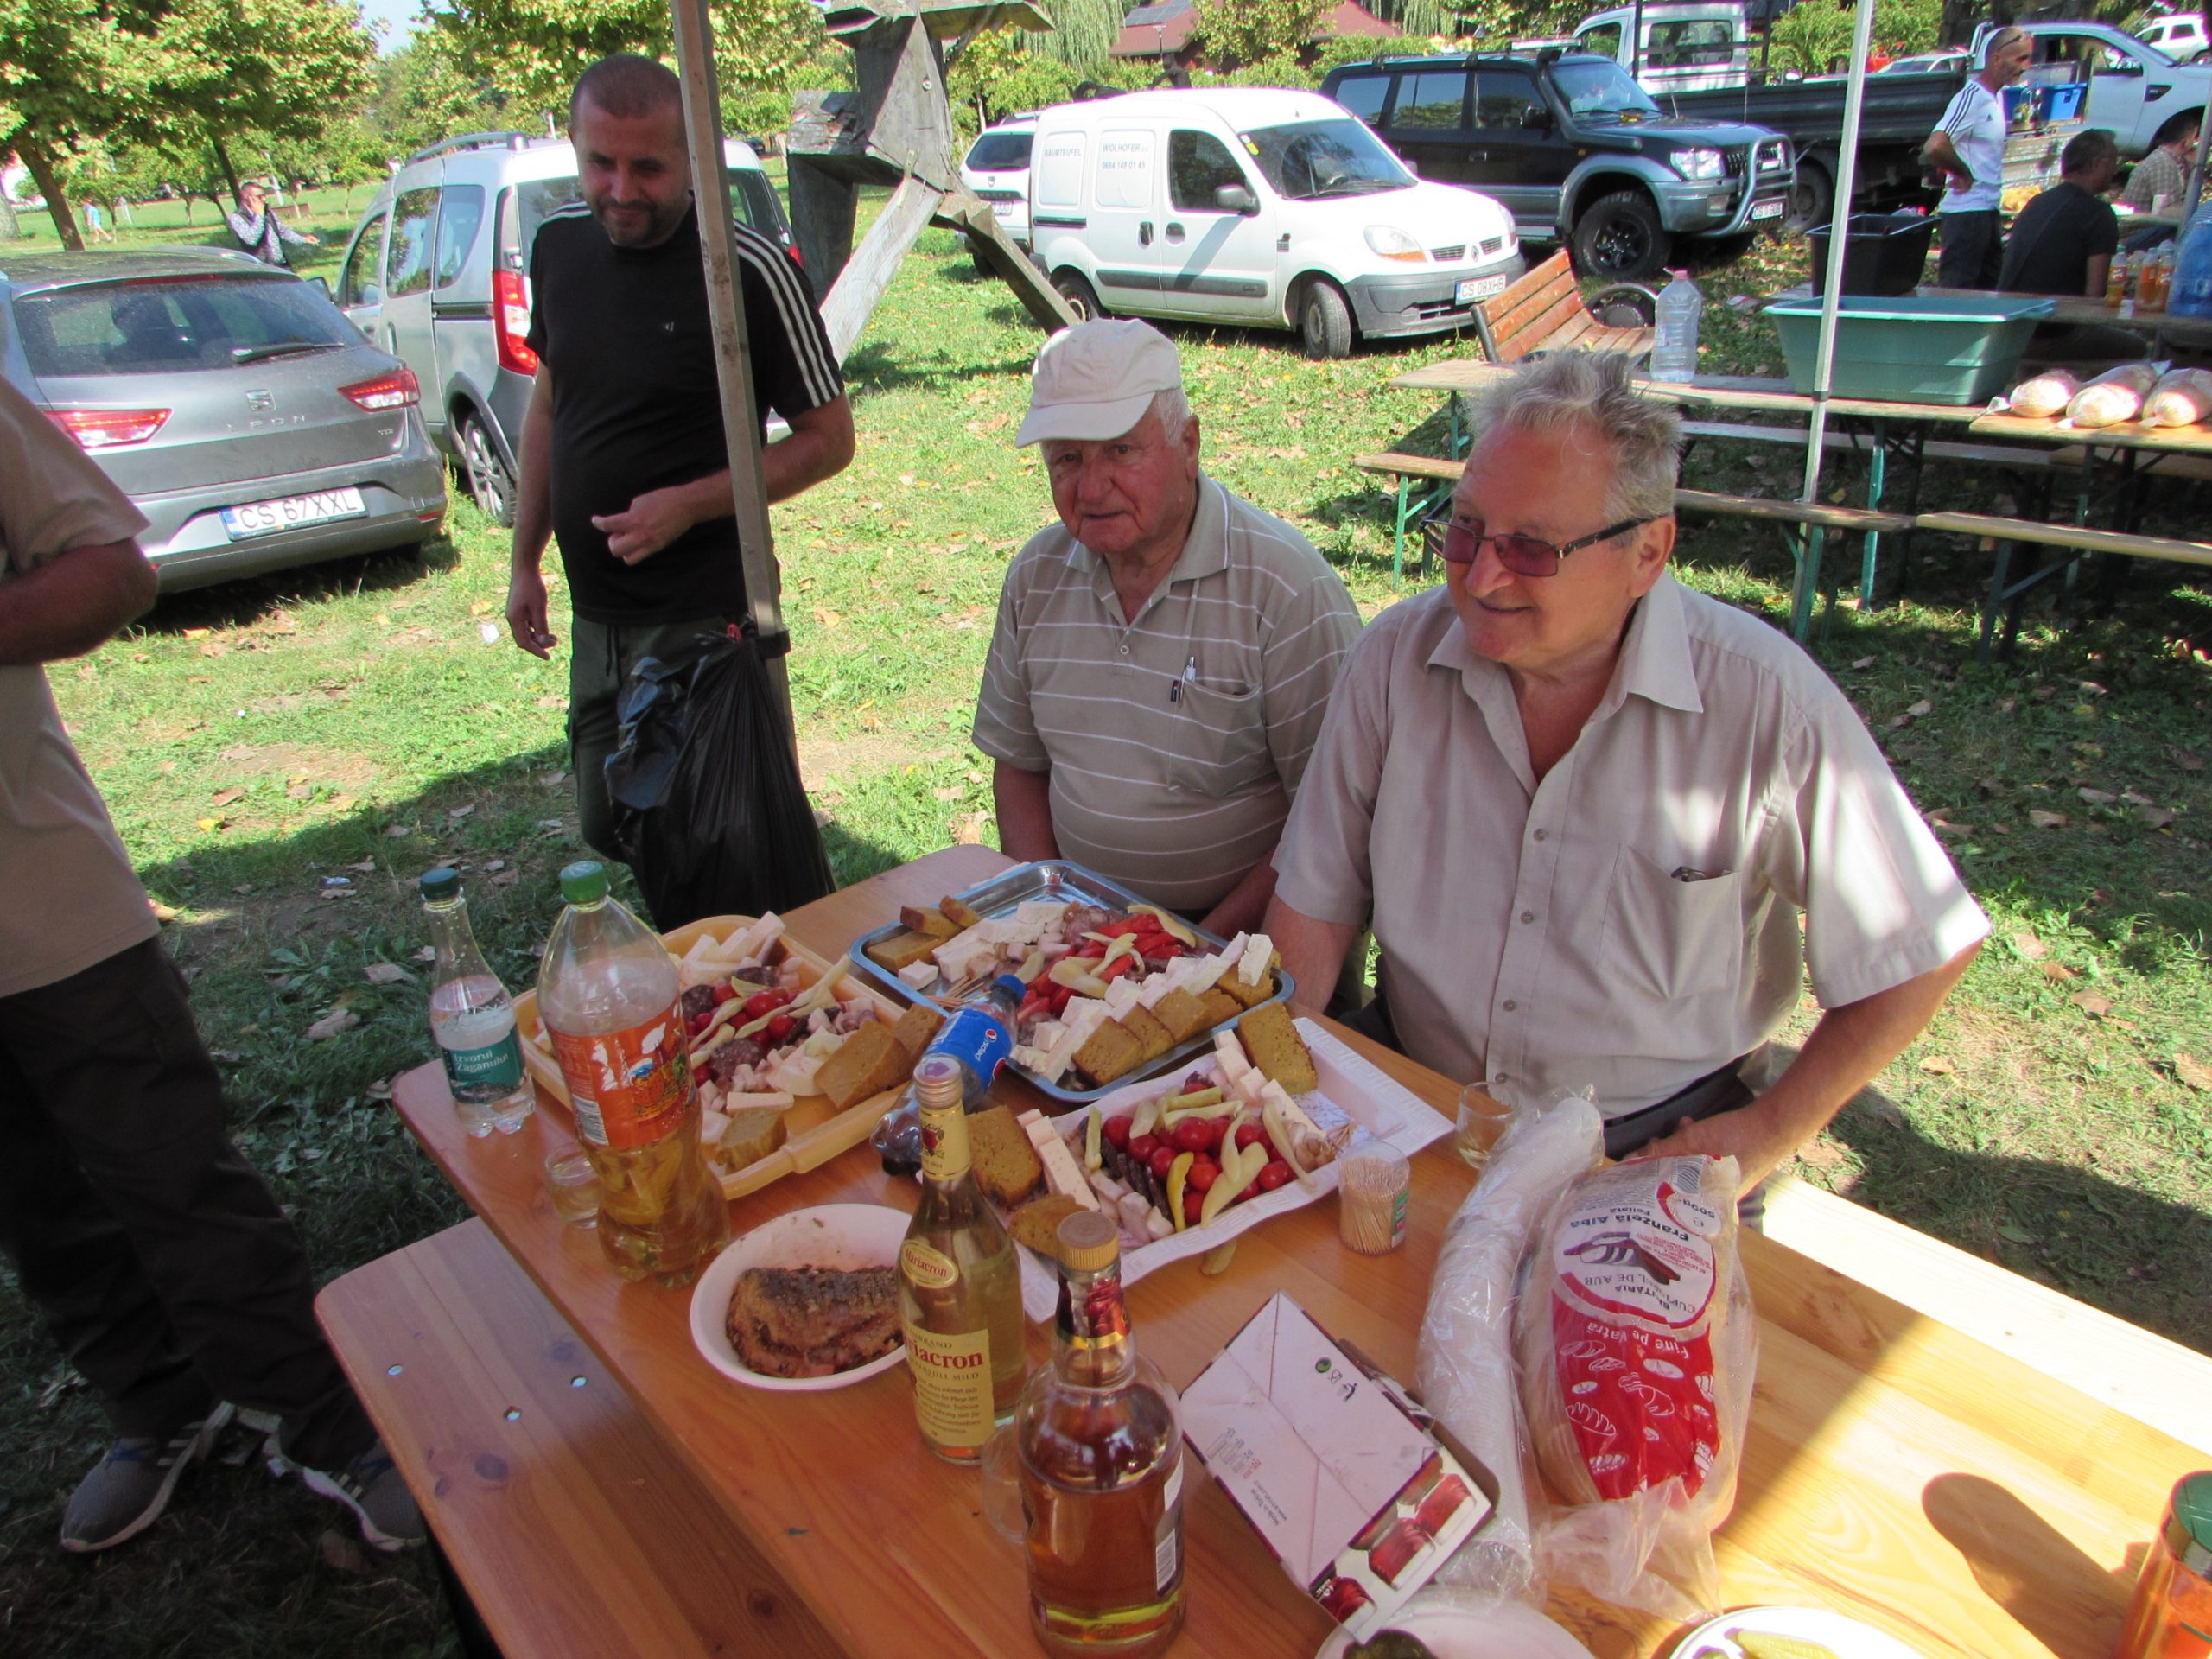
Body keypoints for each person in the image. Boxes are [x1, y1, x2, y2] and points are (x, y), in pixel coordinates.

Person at [1264, 353, 1990, 1200]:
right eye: (1465, 529)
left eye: (1532, 548)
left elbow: (1918, 950)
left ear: (1647, 552)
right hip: (1417, 1094)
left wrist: (1766, 1132)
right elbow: (1313, 905)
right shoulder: (1395, 659)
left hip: (1650, 1145)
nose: (1483, 576)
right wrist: (1276, 1086)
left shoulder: (1762, 702)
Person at [0, 375, 421, 1554]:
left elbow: (111, 571)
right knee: (34, 1204)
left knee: (173, 1175)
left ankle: (323, 1415)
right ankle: (158, 1406)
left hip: (42, 899)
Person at [505, 54, 855, 900]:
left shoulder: (744, 269)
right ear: (575, 146)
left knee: (717, 847)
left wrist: (690, 506)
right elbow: (550, 404)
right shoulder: (558, 247)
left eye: (649, 168)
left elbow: (829, 440)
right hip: (598, 617)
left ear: (693, 159)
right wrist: (524, 560)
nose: (622, 190)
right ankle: (694, 946)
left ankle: (726, 961)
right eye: (601, 163)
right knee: (608, 819)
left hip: (701, 619)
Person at [973, 319, 1361, 938]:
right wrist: (1051, 913)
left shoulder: (1286, 591)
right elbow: (1019, 764)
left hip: (1243, 937)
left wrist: (1187, 949)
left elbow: (1331, 821)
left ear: (1189, 444)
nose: (1091, 488)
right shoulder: (1036, 576)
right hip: (1079, 923)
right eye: (1067, 458)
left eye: (1120, 450)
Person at [1923, 26, 2033, 289]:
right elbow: (1935, 145)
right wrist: (1962, 172)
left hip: (1987, 210)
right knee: (1958, 296)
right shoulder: (1971, 98)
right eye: (2020, 59)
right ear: (1996, 58)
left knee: (1988, 294)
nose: (2026, 67)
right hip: (1967, 213)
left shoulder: (1996, 97)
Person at [225, 178, 317, 267]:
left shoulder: (267, 211)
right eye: (259, 196)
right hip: (262, 267)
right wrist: (259, 216)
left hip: (281, 264)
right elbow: (251, 240)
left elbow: (282, 231)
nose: (263, 199)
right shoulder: (237, 217)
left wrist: (302, 239)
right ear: (246, 196)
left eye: (264, 195)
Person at [2120, 117, 2204, 213]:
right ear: (2185, 142)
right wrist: (2201, 212)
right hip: (2141, 222)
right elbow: (2162, 211)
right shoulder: (2164, 164)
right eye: (2194, 139)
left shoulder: (2169, 159)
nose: (2195, 143)